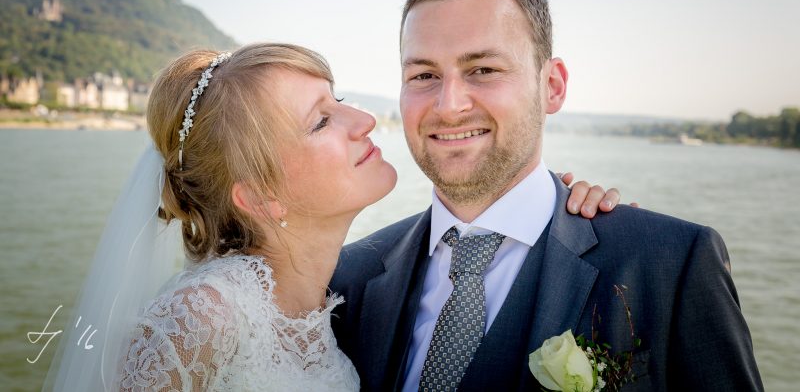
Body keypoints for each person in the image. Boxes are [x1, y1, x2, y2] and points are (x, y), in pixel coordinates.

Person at [43, 42, 621, 391]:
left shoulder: (341, 293)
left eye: (338, 99)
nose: (363, 120)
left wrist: (558, 208)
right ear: (262, 197)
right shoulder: (203, 317)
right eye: (321, 121)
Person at [330, 0, 763, 391]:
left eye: (483, 69)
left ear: (552, 86)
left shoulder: (670, 265)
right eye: (424, 75)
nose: (448, 105)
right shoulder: (346, 278)